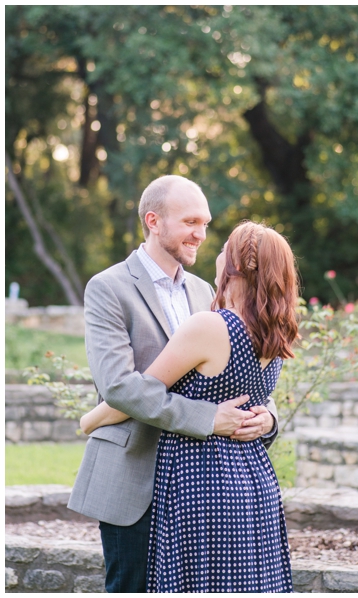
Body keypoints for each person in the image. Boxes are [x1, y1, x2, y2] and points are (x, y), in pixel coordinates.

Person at [67, 176, 278, 592]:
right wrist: (206, 418)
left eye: (206, 222)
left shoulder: (206, 292)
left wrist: (268, 418)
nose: (201, 233)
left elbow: (240, 371)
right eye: (190, 222)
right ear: (154, 221)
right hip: (134, 475)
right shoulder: (108, 288)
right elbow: (120, 387)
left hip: (199, 482)